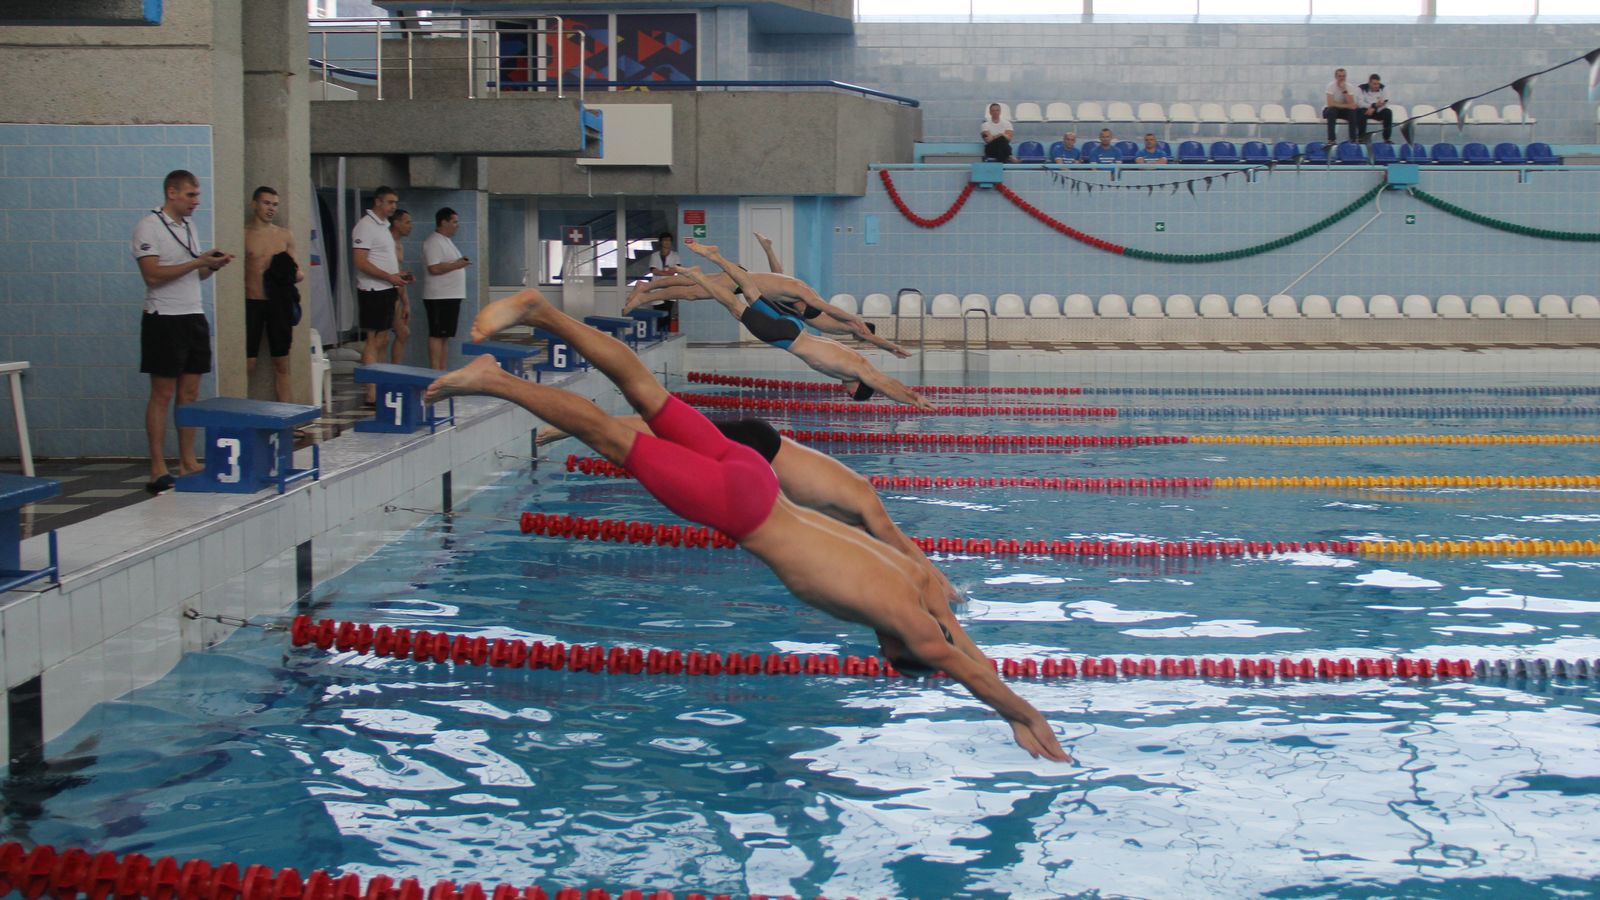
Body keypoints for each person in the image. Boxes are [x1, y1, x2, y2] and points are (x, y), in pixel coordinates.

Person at [436, 291, 1070, 762]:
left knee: (643, 391)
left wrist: (1011, 698)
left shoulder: (923, 589)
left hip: (758, 475)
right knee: (607, 435)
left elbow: (972, 653)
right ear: (894, 652)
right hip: (741, 510)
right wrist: (1025, 718)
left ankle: (541, 311)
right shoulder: (912, 634)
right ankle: (498, 381)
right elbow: (973, 674)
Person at [623, 242, 912, 360]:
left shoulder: (793, 296)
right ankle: (644, 292)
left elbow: (777, 274)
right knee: (691, 290)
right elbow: (837, 314)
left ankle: (644, 290)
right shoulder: (809, 299)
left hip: (746, 280)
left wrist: (767, 247)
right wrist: (890, 345)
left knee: (692, 285)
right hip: (743, 281)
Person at [132, 169, 234, 493]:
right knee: (162, 394)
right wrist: (196, 263)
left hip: (193, 315)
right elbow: (152, 275)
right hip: (164, 317)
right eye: (191, 195)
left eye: (198, 195)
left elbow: (195, 274)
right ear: (172, 193)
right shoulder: (149, 226)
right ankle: (157, 466)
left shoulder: (188, 226)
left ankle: (188, 461)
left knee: (189, 394)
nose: (196, 202)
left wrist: (212, 265)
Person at [243, 186, 303, 402]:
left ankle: (287, 418)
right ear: (255, 204)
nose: (271, 209)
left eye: (275, 205)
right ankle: (243, 414)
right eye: (267, 203)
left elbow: (299, 272)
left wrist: (283, 273)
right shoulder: (244, 234)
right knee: (248, 362)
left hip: (278, 304)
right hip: (252, 302)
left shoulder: (284, 235)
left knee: (282, 362)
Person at [352, 186, 411, 403]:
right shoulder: (365, 226)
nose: (393, 206)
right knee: (374, 340)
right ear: (378, 202)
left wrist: (397, 276)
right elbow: (359, 261)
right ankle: (371, 392)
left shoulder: (383, 227)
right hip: (373, 289)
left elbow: (381, 259)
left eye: (395, 202)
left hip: (387, 288)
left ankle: (380, 381)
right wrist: (388, 276)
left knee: (384, 339)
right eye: (390, 202)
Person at [421, 207, 470, 370]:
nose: (458, 225)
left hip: (449, 295)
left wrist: (457, 263)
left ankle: (441, 371)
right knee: (437, 334)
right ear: (443, 222)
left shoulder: (446, 241)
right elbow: (433, 268)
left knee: (445, 336)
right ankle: (435, 371)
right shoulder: (433, 242)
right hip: (439, 297)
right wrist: (457, 264)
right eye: (454, 222)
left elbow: (446, 263)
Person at [387, 208, 414, 365]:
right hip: (386, 293)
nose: (410, 226)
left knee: (403, 333)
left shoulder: (399, 244)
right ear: (396, 223)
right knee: (399, 334)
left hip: (396, 294)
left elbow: (398, 275)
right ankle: (392, 373)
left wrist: (406, 302)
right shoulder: (388, 242)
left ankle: (394, 371)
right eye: (407, 222)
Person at [645, 231, 682, 332]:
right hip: (657, 287)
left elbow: (675, 270)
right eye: (665, 240)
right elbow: (653, 270)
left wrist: (663, 272)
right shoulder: (655, 256)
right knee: (658, 312)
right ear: (661, 242)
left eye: (669, 240)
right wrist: (666, 273)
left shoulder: (675, 255)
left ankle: (667, 335)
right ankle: (657, 334)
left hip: (670, 287)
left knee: (668, 313)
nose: (667, 242)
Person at [1324, 67, 1362, 144]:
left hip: (1343, 111)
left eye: (1343, 76)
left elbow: (1352, 104)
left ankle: (1353, 139)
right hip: (1331, 110)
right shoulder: (1330, 86)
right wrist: (1347, 105)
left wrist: (1344, 90)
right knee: (1332, 111)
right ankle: (1331, 139)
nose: (1342, 78)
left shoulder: (1349, 87)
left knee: (1353, 112)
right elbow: (1330, 104)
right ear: (1336, 77)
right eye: (1340, 76)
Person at [1358, 73, 1393, 143]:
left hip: (1377, 111)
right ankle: (1361, 138)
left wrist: (1374, 107)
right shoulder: (1361, 88)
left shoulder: (1383, 88)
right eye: (1374, 84)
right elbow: (1360, 103)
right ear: (1369, 83)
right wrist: (1373, 105)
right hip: (1366, 111)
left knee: (1388, 112)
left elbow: (1384, 102)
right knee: (1361, 111)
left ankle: (1387, 139)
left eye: (1378, 84)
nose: (1377, 86)